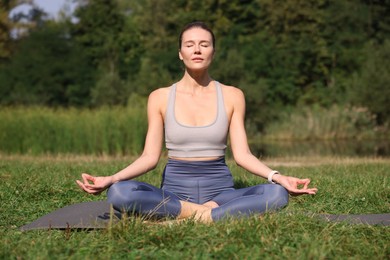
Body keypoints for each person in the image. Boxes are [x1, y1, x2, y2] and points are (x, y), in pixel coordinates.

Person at [76, 21, 318, 223]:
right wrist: (111, 178)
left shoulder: (233, 95)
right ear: (180, 54)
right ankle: (207, 216)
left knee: (277, 194)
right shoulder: (159, 97)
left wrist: (278, 177)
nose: (197, 50)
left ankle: (198, 214)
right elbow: (149, 158)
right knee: (119, 192)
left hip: (221, 194)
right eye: (189, 45)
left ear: (213, 51)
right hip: (173, 194)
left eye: (204, 44)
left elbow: (243, 155)